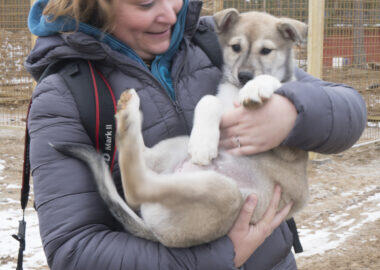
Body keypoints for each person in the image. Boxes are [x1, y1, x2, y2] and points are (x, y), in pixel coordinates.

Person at [25, 0, 366, 269]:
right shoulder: (66, 94)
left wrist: (294, 112)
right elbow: (72, 251)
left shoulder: (214, 42)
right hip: (187, 222)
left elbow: (349, 109)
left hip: (268, 252)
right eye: (145, 4)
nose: (169, 14)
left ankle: (140, 168)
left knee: (180, 150)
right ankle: (141, 177)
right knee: (202, 174)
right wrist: (220, 257)